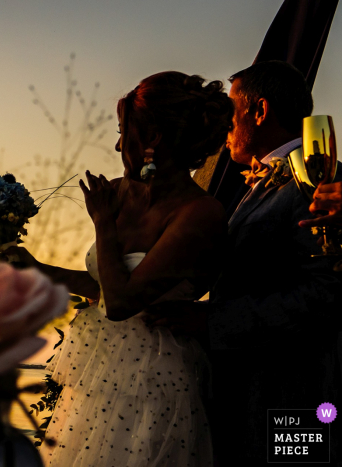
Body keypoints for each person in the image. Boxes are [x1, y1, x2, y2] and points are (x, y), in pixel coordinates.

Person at [0, 71, 233, 466]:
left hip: (154, 379)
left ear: (153, 139)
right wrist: (36, 269)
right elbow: (104, 285)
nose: (119, 143)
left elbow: (122, 301)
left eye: (125, 131)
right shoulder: (123, 193)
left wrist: (104, 224)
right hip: (99, 375)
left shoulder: (199, 213)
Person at [144, 61, 342, 463]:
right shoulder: (258, 181)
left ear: (260, 110)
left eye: (231, 110)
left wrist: (211, 321)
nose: (224, 124)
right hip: (245, 392)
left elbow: (327, 293)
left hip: (293, 397)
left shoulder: (316, 179)